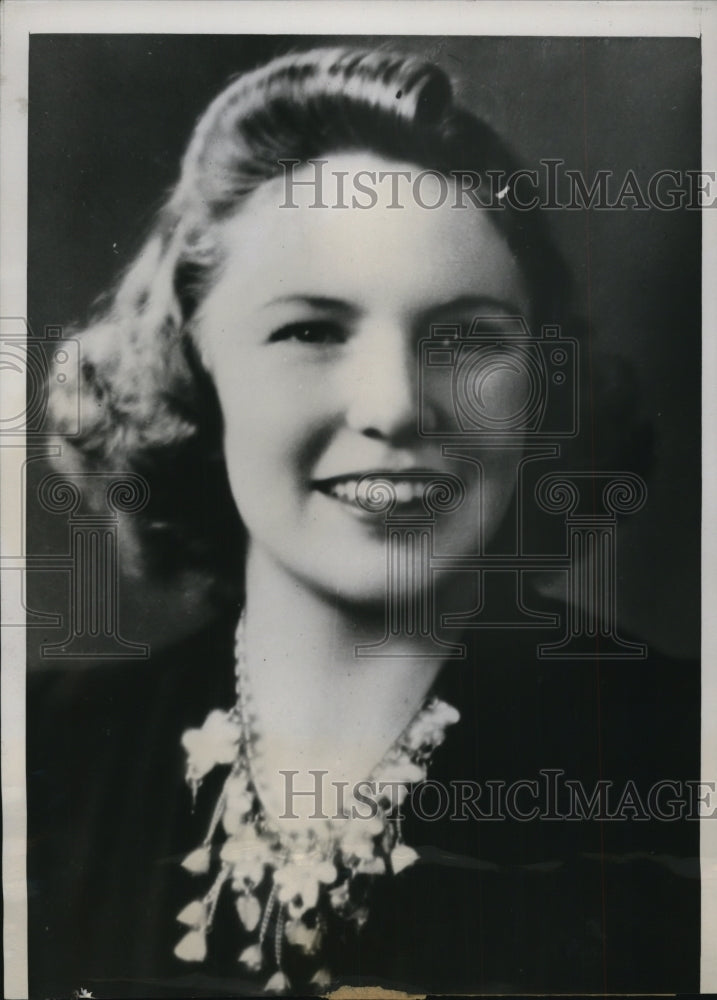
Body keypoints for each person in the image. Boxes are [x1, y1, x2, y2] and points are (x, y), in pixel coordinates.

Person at [28, 46, 699, 997]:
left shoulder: (677, 755)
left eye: (465, 339)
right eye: (311, 330)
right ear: (193, 366)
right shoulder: (43, 759)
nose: (393, 406)